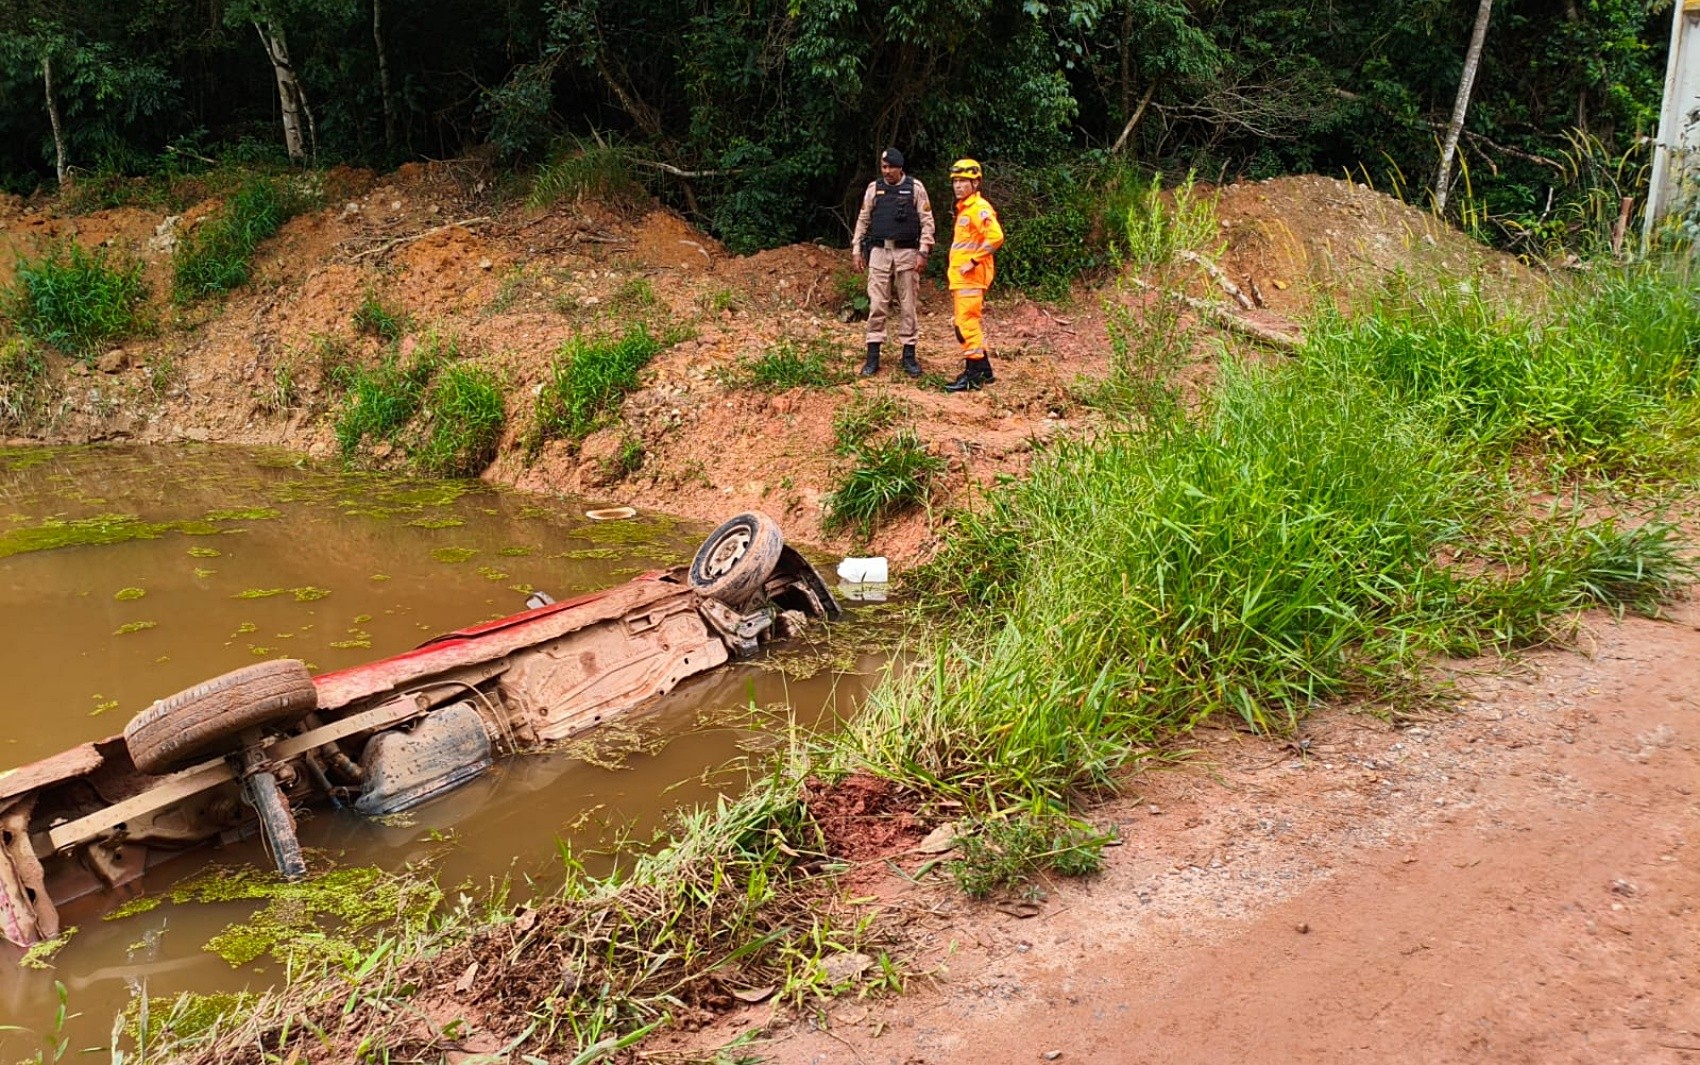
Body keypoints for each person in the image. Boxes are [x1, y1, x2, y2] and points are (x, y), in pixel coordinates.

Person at [850, 148, 935, 377]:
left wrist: (923, 251)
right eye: (884, 167)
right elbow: (863, 220)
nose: (887, 171)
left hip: (907, 253)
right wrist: (856, 250)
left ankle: (909, 356)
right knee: (877, 304)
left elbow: (927, 222)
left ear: (900, 168)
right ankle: (872, 356)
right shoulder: (874, 189)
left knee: (908, 305)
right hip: (879, 252)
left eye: (891, 167)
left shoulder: (915, 188)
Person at [944, 158, 1004, 392]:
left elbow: (996, 237)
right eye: (955, 181)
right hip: (963, 277)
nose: (958, 186)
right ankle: (985, 371)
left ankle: (973, 375)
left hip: (971, 277)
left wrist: (973, 260)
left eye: (963, 181)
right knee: (967, 322)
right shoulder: (966, 209)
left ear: (975, 183)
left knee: (965, 324)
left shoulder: (979, 208)